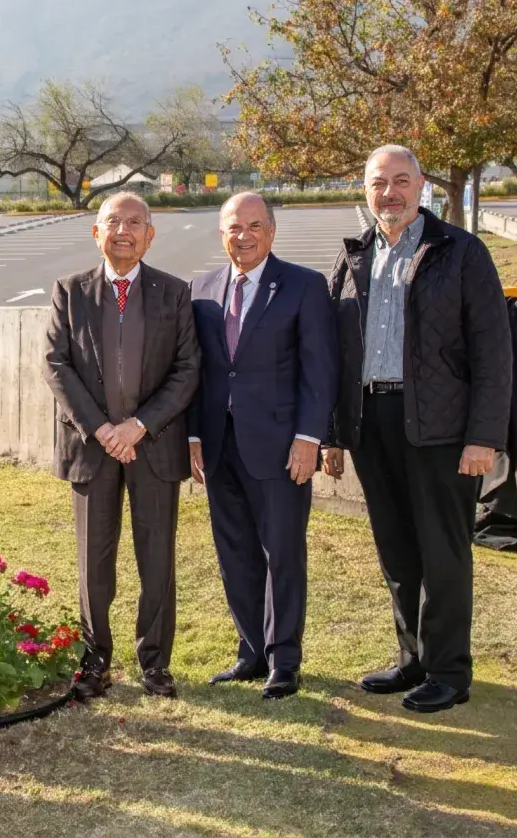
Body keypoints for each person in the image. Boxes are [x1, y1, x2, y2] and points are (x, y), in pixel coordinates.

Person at [323, 144, 512, 713]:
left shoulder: (460, 251)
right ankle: (413, 660)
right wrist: (333, 432)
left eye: (401, 181)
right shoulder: (355, 256)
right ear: (365, 190)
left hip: (442, 428)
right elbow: (336, 354)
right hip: (372, 423)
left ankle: (449, 672)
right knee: (397, 550)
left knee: (442, 552)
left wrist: (484, 436)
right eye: (379, 183)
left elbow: (493, 351)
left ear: (421, 184)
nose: (390, 193)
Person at [43, 191, 200, 700]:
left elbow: (187, 369)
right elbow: (56, 364)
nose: (123, 231)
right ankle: (94, 662)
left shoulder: (174, 293)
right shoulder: (70, 291)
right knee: (94, 562)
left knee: (157, 558)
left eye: (135, 223)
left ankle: (155, 662)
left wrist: (138, 426)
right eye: (113, 221)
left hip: (153, 446)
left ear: (150, 236)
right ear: (97, 233)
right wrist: (102, 429)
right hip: (93, 449)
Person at [188, 192, 338, 700]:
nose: (244, 236)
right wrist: (194, 435)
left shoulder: (304, 285)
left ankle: (284, 661)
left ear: (271, 232)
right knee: (235, 553)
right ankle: (250, 652)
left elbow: (320, 369)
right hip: (219, 445)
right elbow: (198, 372)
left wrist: (309, 438)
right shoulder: (202, 290)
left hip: (280, 447)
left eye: (255, 226)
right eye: (234, 227)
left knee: (283, 554)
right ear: (222, 234)